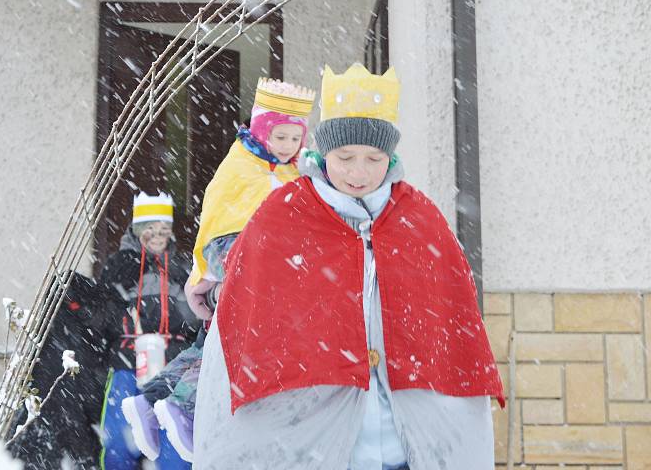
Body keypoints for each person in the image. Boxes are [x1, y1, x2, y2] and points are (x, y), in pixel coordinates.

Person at [192, 63, 505, 469]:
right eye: (345, 157)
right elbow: (248, 311)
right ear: (323, 152)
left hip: (408, 445)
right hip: (315, 445)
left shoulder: (418, 219)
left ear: (391, 156)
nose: (359, 173)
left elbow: (452, 323)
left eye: (374, 158)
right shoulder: (284, 214)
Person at [120, 78, 315, 463]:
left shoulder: (282, 170)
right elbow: (225, 226)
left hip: (248, 267)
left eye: (296, 139)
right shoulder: (245, 167)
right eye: (280, 136)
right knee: (227, 347)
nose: (288, 146)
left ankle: (152, 401)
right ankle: (180, 405)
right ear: (262, 129)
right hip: (240, 258)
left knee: (208, 344)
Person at [99, 192, 199, 470]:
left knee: (174, 444)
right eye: (149, 230)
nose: (157, 236)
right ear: (136, 230)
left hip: (172, 367)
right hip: (128, 363)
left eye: (163, 230)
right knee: (120, 440)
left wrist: (183, 285)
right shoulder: (120, 266)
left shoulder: (182, 268)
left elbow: (194, 318)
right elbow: (105, 315)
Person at [8, 272, 112, 470]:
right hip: (64, 418)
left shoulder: (54, 327)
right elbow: (86, 397)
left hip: (48, 418)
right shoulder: (72, 331)